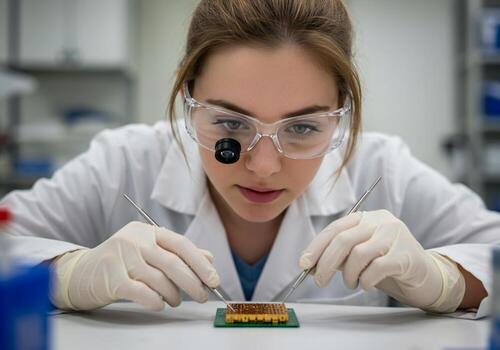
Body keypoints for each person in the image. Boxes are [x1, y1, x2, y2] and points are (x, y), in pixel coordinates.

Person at [1, 0, 498, 319]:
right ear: (188, 95)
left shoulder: (379, 167)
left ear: (341, 111)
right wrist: (68, 274)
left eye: (302, 128)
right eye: (231, 124)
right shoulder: (124, 162)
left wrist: (444, 280)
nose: (262, 166)